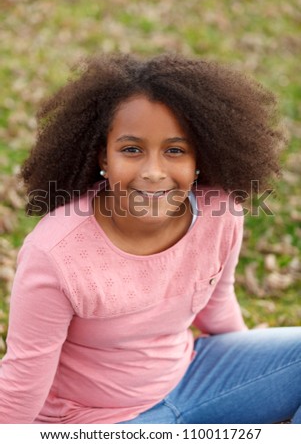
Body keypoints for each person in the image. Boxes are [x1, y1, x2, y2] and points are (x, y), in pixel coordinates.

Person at [0, 53, 300, 424]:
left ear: (198, 158)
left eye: (175, 150)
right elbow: (23, 381)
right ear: (103, 158)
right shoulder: (55, 253)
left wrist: (250, 373)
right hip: (96, 421)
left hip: (193, 379)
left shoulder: (220, 213)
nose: (154, 172)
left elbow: (217, 303)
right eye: (131, 150)